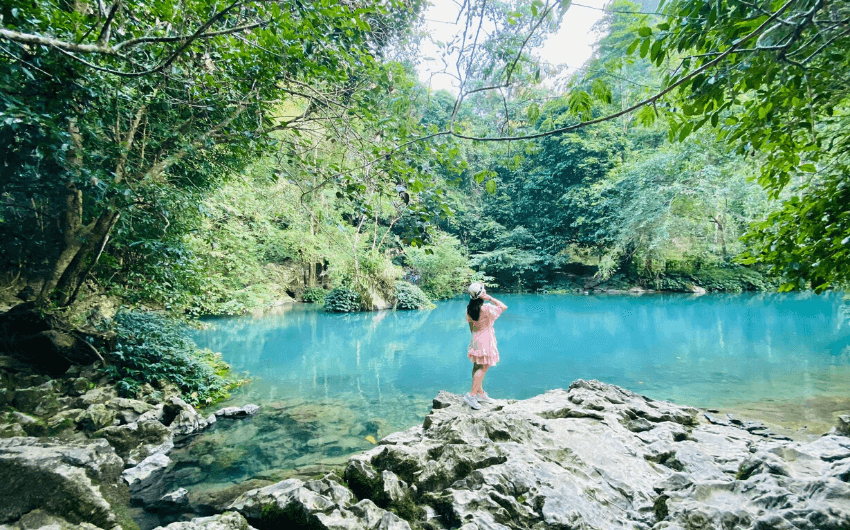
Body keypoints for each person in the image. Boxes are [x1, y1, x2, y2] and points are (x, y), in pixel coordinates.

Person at [463, 282, 507, 410]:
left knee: (477, 366)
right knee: (484, 367)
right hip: (486, 339)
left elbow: (471, 328)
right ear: (482, 294)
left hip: (475, 338)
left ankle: (480, 393)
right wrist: (491, 298)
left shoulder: (469, 308)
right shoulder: (486, 308)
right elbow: (503, 307)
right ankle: (471, 395)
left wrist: (475, 340)